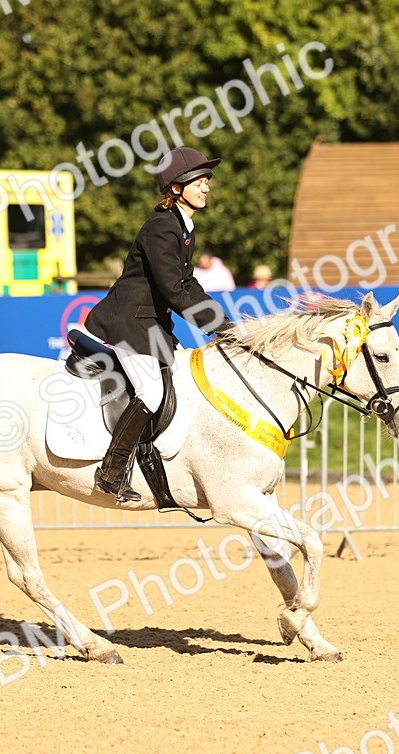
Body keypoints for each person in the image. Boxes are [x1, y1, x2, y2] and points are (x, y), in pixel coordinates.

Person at [81, 146, 233, 502]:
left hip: (151, 326)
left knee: (181, 381)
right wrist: (220, 328)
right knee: (151, 392)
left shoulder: (182, 227)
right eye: (200, 181)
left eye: (207, 180)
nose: (207, 187)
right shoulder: (162, 227)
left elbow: (188, 284)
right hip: (130, 323)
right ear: (177, 187)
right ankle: (112, 471)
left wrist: (225, 324)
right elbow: (173, 289)